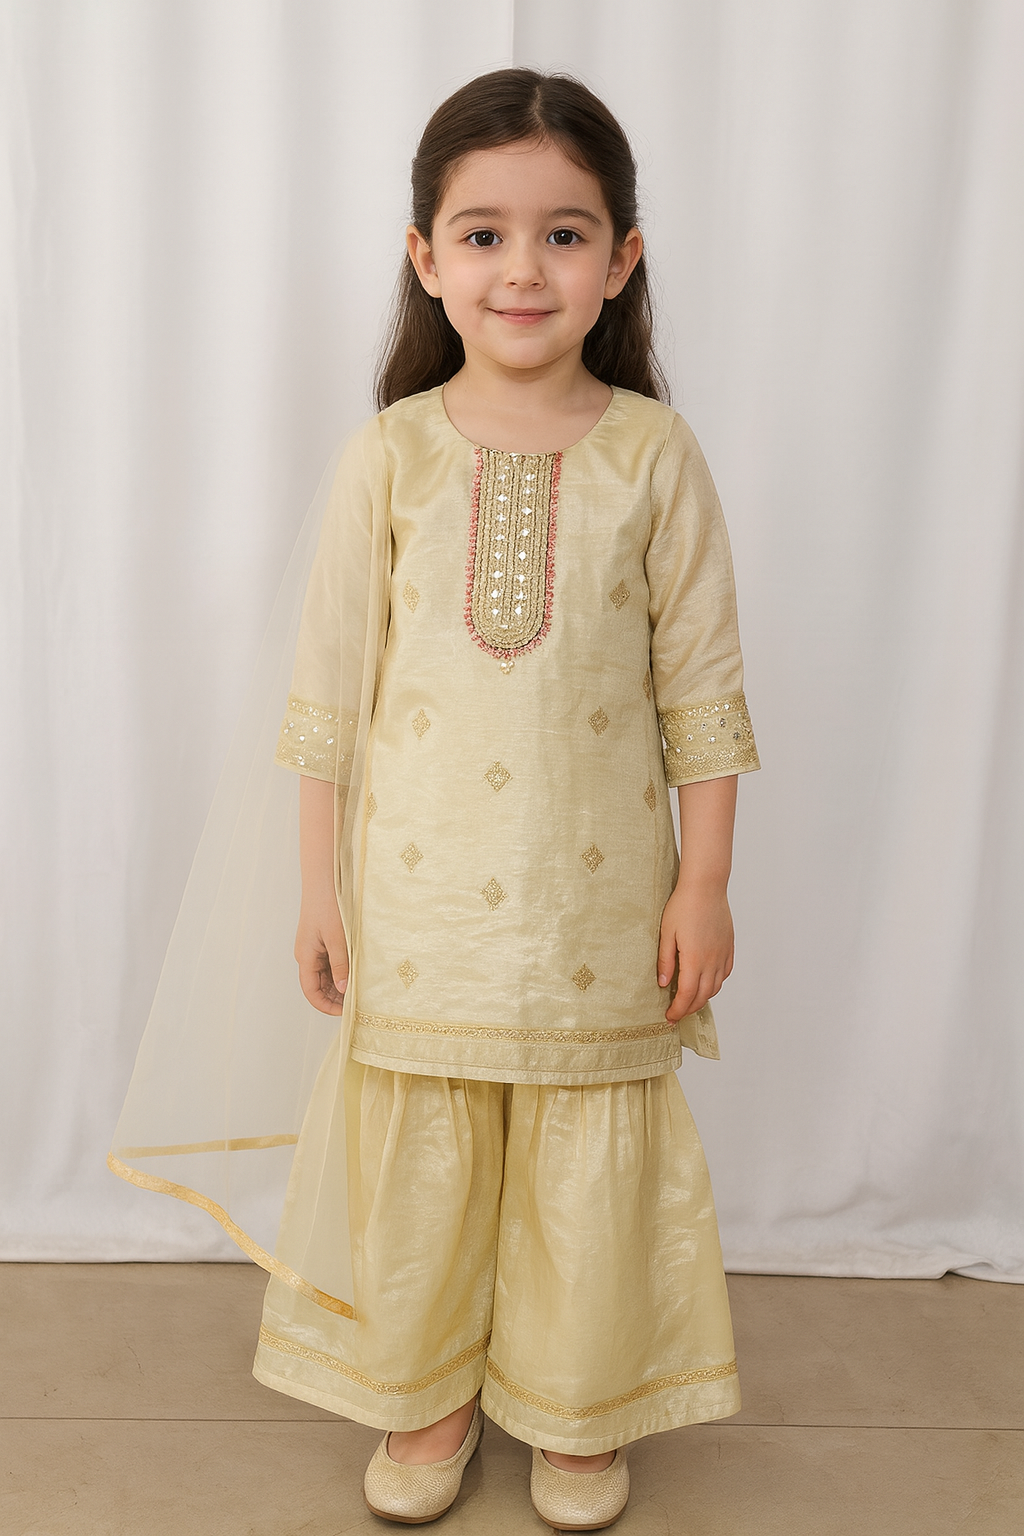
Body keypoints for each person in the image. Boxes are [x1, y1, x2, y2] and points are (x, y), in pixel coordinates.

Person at [112, 67, 759, 1532]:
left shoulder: (654, 457)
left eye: (563, 235)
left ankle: (578, 1405)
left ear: (622, 261)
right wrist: (318, 889)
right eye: (481, 235)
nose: (522, 269)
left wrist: (705, 881)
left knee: (582, 1153)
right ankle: (431, 1394)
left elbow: (705, 693)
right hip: (416, 896)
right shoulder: (391, 455)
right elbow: (328, 698)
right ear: (424, 258)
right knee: (424, 1158)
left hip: (601, 903)